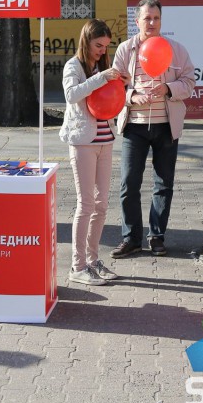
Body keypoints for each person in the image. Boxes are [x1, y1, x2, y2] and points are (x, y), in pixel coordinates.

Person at [111, 0, 195, 258]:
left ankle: (157, 237)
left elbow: (189, 82)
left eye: (156, 18)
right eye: (147, 18)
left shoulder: (176, 50)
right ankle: (131, 238)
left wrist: (169, 88)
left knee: (163, 184)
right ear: (137, 21)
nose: (152, 23)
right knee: (128, 184)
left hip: (166, 126)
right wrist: (132, 96)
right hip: (134, 127)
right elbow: (114, 86)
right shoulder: (125, 50)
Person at [60, 19, 127, 286]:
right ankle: (77, 266)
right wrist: (101, 77)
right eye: (98, 45)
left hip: (105, 141)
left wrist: (122, 82)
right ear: (86, 40)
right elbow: (71, 95)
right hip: (83, 143)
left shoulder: (102, 65)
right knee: (86, 204)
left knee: (101, 205)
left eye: (106, 46)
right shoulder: (73, 66)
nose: (102, 50)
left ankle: (93, 260)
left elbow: (111, 99)